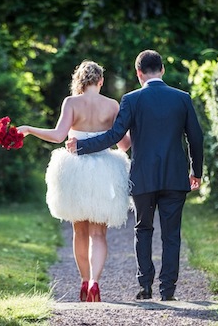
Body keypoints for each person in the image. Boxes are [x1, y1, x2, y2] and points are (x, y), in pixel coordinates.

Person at [66, 50, 204, 301]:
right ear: (162, 70)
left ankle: (146, 287)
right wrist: (196, 171)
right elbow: (196, 137)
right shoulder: (182, 98)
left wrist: (82, 147)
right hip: (175, 177)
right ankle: (168, 290)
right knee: (172, 234)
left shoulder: (131, 99)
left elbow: (114, 136)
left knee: (143, 229)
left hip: (143, 177)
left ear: (138, 73)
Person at [17, 60, 132, 302]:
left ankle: (83, 281)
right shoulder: (111, 105)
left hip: (75, 170)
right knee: (99, 233)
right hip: (105, 171)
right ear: (100, 81)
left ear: (79, 81)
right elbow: (123, 144)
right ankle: (95, 283)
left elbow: (59, 136)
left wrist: (29, 128)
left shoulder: (71, 102)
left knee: (79, 231)